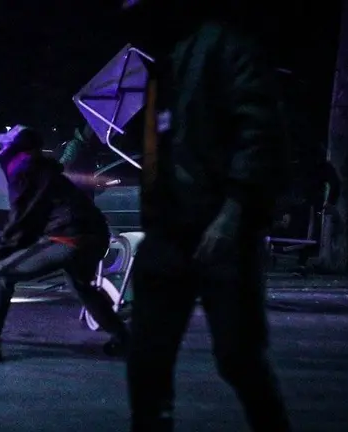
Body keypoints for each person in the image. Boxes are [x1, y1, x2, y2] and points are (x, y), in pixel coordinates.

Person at [123, 1, 293, 431]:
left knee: (238, 357)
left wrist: (233, 213)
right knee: (147, 357)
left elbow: (259, 132)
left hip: (221, 230)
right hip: (169, 231)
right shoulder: (167, 59)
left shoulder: (224, 47)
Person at [0, 125, 130, 362]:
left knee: (4, 273)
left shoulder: (28, 172)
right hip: (90, 236)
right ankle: (124, 338)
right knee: (81, 285)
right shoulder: (41, 171)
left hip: (72, 238)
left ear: (20, 150)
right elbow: (23, 227)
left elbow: (20, 227)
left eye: (7, 146)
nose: (2, 150)